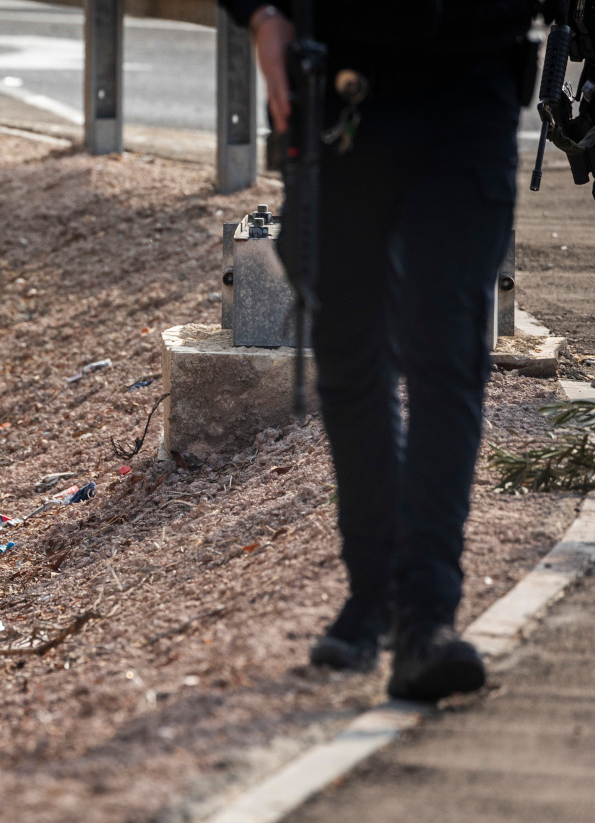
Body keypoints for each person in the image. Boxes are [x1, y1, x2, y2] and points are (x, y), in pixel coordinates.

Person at [219, 1, 534, 700]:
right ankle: (374, 591)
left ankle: (427, 616)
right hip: (338, 82)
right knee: (349, 345)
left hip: (470, 80)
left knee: (446, 345)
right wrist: (262, 13)